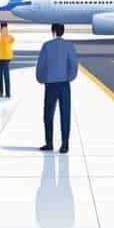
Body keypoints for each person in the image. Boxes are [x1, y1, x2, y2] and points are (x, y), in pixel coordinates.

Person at [36, 22, 78, 153]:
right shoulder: (69, 45)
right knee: (65, 114)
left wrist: (41, 79)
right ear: (63, 32)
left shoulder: (47, 46)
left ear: (53, 31)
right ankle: (65, 145)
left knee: (48, 115)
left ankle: (49, 143)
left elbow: (41, 65)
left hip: (50, 84)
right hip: (64, 84)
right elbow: (74, 64)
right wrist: (69, 78)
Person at [0, 22, 15, 98]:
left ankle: (1, 92)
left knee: (0, 76)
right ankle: (8, 93)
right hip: (6, 58)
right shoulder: (10, 37)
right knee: (6, 76)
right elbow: (12, 41)